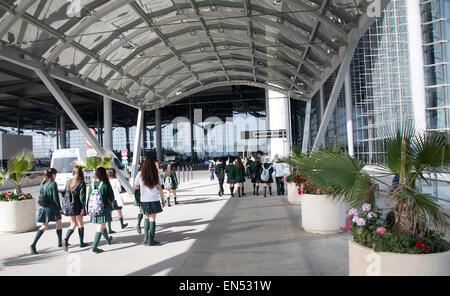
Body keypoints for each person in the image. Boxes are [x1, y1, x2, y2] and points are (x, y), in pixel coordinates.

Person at [30, 168, 62, 254]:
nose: (56, 176)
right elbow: (56, 198)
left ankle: (33, 244)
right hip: (52, 208)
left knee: (44, 226)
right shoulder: (53, 184)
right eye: (55, 175)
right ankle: (60, 242)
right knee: (58, 223)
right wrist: (59, 208)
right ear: (53, 175)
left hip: (44, 208)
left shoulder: (42, 184)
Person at [134, 158, 166, 246]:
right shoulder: (156, 174)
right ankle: (151, 240)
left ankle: (145, 239)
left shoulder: (139, 174)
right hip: (154, 199)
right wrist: (163, 200)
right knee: (152, 219)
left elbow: (136, 187)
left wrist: (141, 189)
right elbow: (160, 188)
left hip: (144, 200)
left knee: (146, 218)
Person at [86, 167, 115, 253]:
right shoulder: (106, 184)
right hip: (104, 207)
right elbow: (112, 197)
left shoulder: (92, 184)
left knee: (102, 224)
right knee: (100, 226)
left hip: (94, 208)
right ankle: (94, 247)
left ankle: (108, 239)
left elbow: (89, 197)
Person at [61, 166, 87, 251]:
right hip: (77, 206)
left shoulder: (69, 181)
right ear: (81, 173)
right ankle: (81, 242)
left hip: (69, 206)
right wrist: (83, 207)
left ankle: (65, 239)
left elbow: (64, 192)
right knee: (80, 223)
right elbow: (82, 197)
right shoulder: (81, 183)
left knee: (72, 224)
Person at [106, 168, 128, 233]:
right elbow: (120, 189)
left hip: (109, 199)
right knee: (119, 212)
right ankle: (122, 224)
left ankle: (109, 229)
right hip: (116, 198)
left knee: (109, 214)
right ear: (114, 173)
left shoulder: (107, 181)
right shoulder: (116, 180)